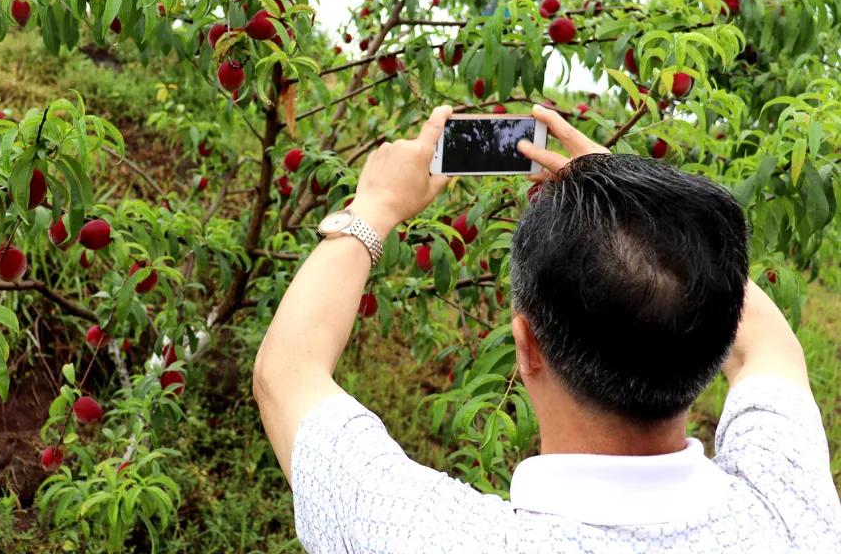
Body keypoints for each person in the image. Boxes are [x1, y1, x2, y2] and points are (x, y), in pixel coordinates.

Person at [252, 104, 840, 553]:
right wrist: (636, 208)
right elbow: (767, 344)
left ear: (526, 346)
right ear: (715, 342)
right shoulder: (794, 512)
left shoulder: (431, 535)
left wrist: (374, 206)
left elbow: (287, 374)